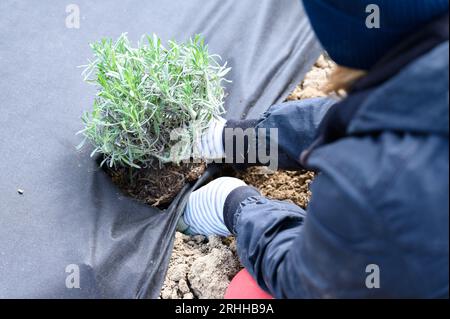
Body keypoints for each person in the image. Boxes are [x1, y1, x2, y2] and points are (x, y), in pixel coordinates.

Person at [180, 0, 449, 298]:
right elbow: (368, 116)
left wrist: (234, 206)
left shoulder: (375, 185)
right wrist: (243, 140)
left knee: (246, 294)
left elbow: (306, 283)